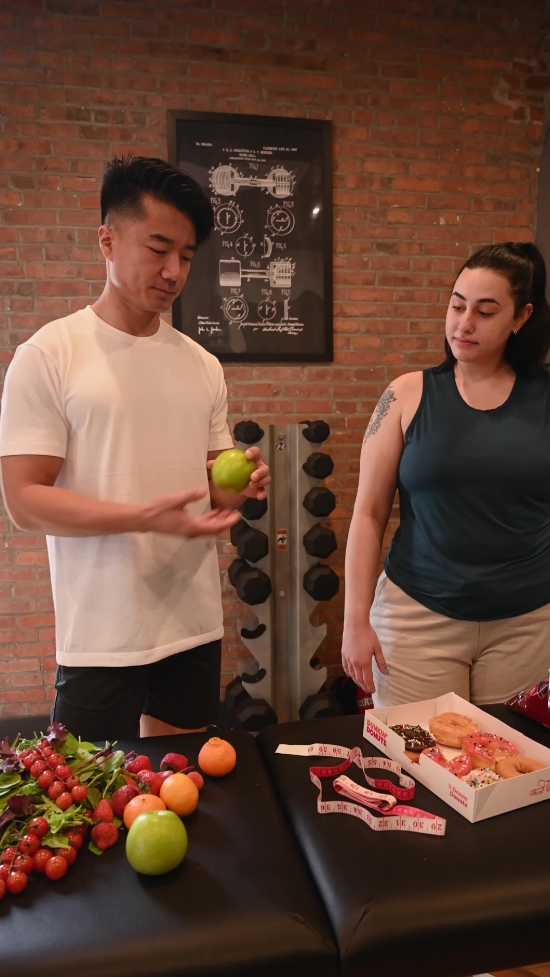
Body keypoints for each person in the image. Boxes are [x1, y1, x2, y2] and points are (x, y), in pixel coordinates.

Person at [0, 155, 270, 740]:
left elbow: (212, 494)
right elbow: (24, 502)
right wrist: (141, 516)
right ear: (108, 240)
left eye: (187, 256)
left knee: (183, 782)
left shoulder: (202, 365)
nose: (174, 271)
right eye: (158, 248)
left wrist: (239, 485)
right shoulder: (49, 356)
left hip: (192, 623)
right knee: (91, 791)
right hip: (101, 633)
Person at [342, 242, 550, 707]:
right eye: (457, 306)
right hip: (417, 616)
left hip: (527, 623)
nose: (464, 323)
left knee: (508, 752)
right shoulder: (405, 395)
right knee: (416, 750)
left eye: (485, 311)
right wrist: (355, 620)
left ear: (521, 317)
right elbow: (368, 513)